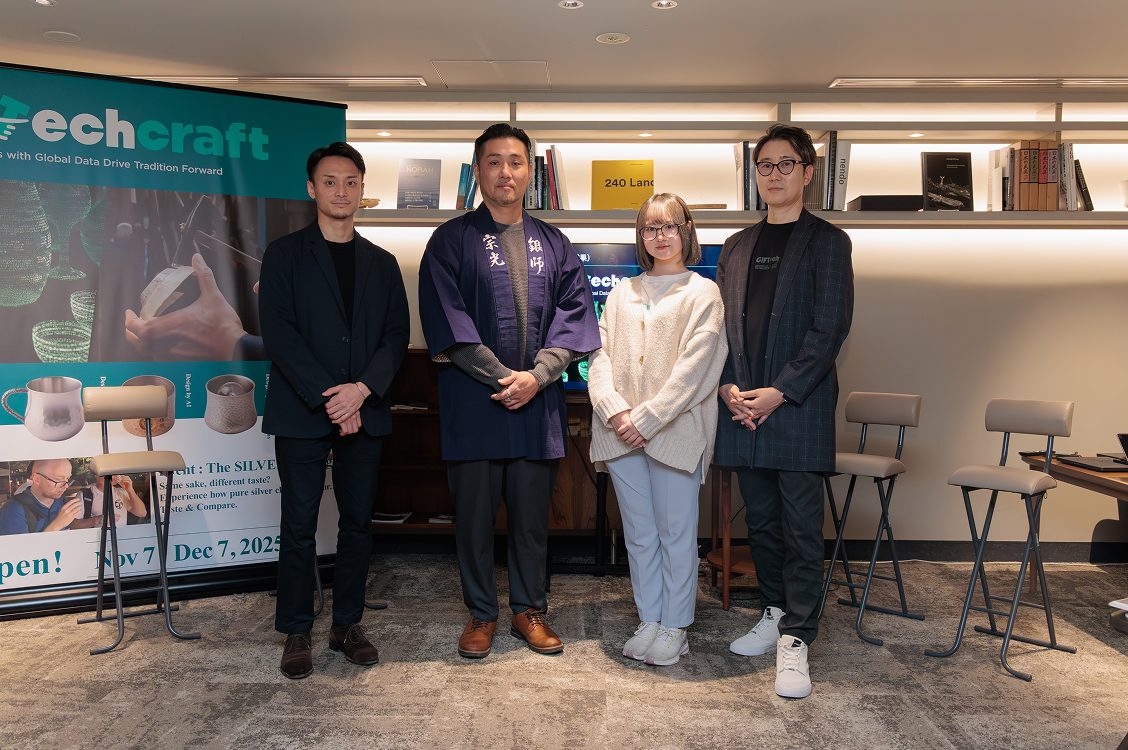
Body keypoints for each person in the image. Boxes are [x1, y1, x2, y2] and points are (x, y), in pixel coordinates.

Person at [418, 123, 601, 659]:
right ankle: (481, 613)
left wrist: (536, 377)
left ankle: (528, 610)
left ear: (529, 173)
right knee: (473, 521)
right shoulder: (450, 240)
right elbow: (447, 320)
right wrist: (507, 378)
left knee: (530, 522)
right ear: (478, 171)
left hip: (535, 406)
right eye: (494, 161)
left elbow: (575, 317)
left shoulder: (555, 243)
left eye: (516, 162)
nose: (505, 171)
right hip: (474, 403)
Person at [259, 141, 410, 679]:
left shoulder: (383, 263)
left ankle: (347, 624)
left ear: (362, 190)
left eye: (350, 182)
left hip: (363, 408)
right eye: (330, 181)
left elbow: (396, 336)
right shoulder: (284, 254)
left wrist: (361, 391)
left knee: (357, 524)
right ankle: (297, 629)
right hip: (303, 410)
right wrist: (334, 398)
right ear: (311, 188)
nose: (341, 191)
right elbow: (279, 333)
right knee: (299, 523)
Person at [715, 124, 853, 699]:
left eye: (785, 164)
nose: (774, 175)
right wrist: (728, 386)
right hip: (745, 409)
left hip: (798, 407)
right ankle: (773, 612)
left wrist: (779, 392)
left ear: (807, 171)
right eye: (765, 166)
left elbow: (829, 330)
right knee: (762, 524)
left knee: (800, 529)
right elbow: (723, 329)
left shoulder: (828, 242)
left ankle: (797, 636)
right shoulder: (736, 246)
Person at [587, 193, 727, 666]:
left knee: (676, 534)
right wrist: (615, 412)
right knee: (640, 534)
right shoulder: (621, 293)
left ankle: (676, 627)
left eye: (670, 226)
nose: (660, 236)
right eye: (650, 227)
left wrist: (644, 420)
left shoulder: (703, 293)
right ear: (640, 235)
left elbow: (697, 370)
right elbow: (598, 357)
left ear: (686, 231)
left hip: (676, 432)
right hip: (619, 433)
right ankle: (649, 618)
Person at [0, 459, 81, 535]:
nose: (66, 486)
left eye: (67, 479)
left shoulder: (62, 501)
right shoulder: (13, 509)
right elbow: (21, 545)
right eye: (59, 480)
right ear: (36, 479)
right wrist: (56, 525)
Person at [70, 474, 148, 530]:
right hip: (98, 542)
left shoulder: (122, 492)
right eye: (106, 473)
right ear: (96, 475)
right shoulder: (85, 494)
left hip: (121, 539)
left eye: (115, 473)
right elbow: (74, 525)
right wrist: (97, 520)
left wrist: (130, 489)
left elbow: (142, 513)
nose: (112, 476)